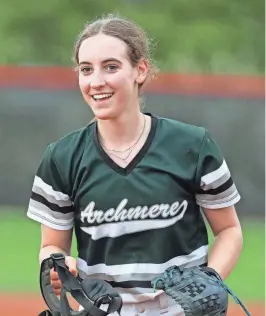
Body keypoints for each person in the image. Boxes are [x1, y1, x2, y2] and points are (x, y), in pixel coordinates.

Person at [27, 13, 244, 316]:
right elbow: (52, 247)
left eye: (111, 67)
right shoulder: (61, 158)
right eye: (86, 69)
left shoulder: (192, 146)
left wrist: (211, 277)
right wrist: (57, 265)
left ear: (140, 70)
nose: (96, 81)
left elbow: (230, 230)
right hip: (103, 309)